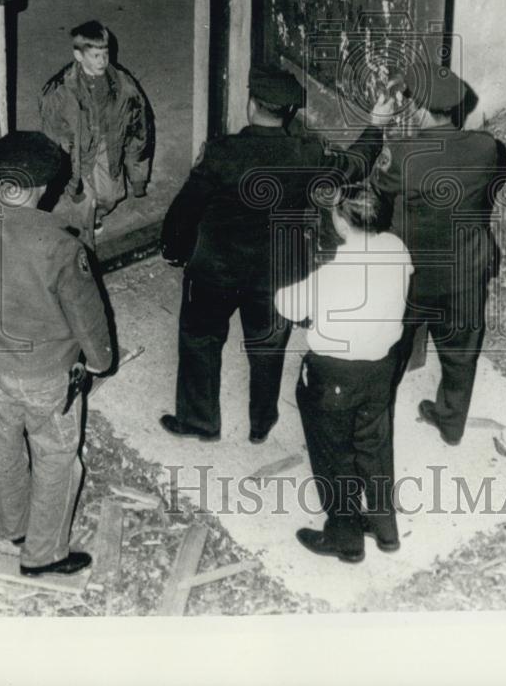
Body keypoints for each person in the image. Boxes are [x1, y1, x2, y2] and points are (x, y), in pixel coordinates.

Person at [159, 63, 394, 444]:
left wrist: (176, 251)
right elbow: (354, 165)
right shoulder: (308, 154)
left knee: (199, 338)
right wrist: (376, 124)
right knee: (267, 347)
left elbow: (185, 209)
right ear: (288, 114)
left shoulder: (221, 152)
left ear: (252, 105)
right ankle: (260, 423)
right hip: (275, 273)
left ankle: (200, 421)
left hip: (213, 270)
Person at [0, 131, 113, 576]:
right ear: (44, 187)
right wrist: (101, 361)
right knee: (58, 458)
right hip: (45, 375)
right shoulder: (63, 247)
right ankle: (44, 554)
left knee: (4, 445)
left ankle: (15, 524)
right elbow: (87, 317)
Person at [371, 60, 506, 446]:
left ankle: (376, 417)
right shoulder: (487, 148)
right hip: (467, 271)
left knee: (391, 348)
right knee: (461, 353)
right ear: (455, 109)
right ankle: (450, 424)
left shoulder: (402, 154)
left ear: (417, 107)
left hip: (415, 276)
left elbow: (378, 191)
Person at [276, 183, 413, 563]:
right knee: (374, 448)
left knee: (334, 455)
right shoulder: (396, 249)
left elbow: (287, 304)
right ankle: (386, 531)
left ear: (341, 221)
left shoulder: (334, 274)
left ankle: (345, 539)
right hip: (382, 369)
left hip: (334, 375)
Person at [40, 20, 153, 247]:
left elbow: (138, 132)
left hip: (106, 145)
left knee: (110, 197)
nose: (103, 61)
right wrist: (63, 178)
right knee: (83, 199)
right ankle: (85, 239)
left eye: (105, 54)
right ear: (79, 56)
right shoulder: (60, 90)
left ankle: (98, 213)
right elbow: (52, 135)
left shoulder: (124, 86)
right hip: (76, 152)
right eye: (95, 56)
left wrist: (138, 176)